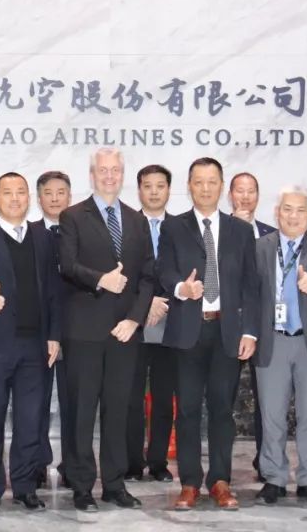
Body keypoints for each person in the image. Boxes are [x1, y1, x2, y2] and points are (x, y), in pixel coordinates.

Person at [158, 157, 259, 511]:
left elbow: (251, 285)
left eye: (211, 181)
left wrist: (250, 332)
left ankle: (220, 480)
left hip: (226, 332)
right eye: (198, 182)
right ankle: (189, 483)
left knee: (221, 409)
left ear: (221, 186)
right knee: (187, 410)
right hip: (188, 332)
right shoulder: (174, 227)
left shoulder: (240, 230)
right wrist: (181, 289)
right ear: (189, 186)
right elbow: (164, 271)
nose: (205, 188)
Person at [59, 148, 155, 512]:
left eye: (115, 170)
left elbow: (148, 276)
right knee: (82, 412)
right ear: (92, 174)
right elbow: (67, 265)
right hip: (84, 331)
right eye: (103, 170)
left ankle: (114, 484)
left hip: (124, 332)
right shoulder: (72, 216)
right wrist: (101, 280)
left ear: (122, 174)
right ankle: (82, 486)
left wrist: (134, 319)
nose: (110, 176)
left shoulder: (136, 220)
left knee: (118, 411)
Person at [0, 172, 62, 514]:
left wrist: (54, 335)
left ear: (29, 199)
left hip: (35, 346)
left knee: (30, 421)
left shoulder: (43, 237)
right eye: (8, 193)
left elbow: (53, 290)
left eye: (21, 192)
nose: (15, 198)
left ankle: (24, 487)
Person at [253, 185, 307, 507]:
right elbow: (249, 291)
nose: (293, 216)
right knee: (271, 415)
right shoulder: (260, 247)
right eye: (287, 209)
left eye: (301, 210)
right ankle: (273, 478)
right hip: (272, 341)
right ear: (277, 213)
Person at [125, 164, 176, 483]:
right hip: (133, 321)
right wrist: (144, 303)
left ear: (169, 189)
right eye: (148, 186)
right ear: (139, 190)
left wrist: (163, 300)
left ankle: (158, 462)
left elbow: (187, 270)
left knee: (163, 396)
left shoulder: (182, 227)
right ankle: (132, 462)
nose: (154, 192)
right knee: (130, 397)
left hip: (170, 321)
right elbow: (121, 270)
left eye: (160, 186)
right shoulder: (127, 225)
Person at [229, 171, 277, 480]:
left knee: (267, 401)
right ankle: (221, 467)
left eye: (251, 191)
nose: (245, 197)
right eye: (239, 191)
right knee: (224, 399)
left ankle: (266, 461)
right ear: (229, 195)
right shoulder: (220, 229)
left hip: (264, 326)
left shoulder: (272, 234)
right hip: (229, 327)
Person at [33, 170, 74, 489]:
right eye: (48, 193)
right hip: (40, 330)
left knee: (75, 401)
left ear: (70, 197)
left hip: (77, 329)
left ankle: (72, 464)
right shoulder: (29, 234)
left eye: (61, 192)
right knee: (36, 401)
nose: (55, 198)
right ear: (39, 198)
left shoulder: (82, 232)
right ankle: (36, 462)